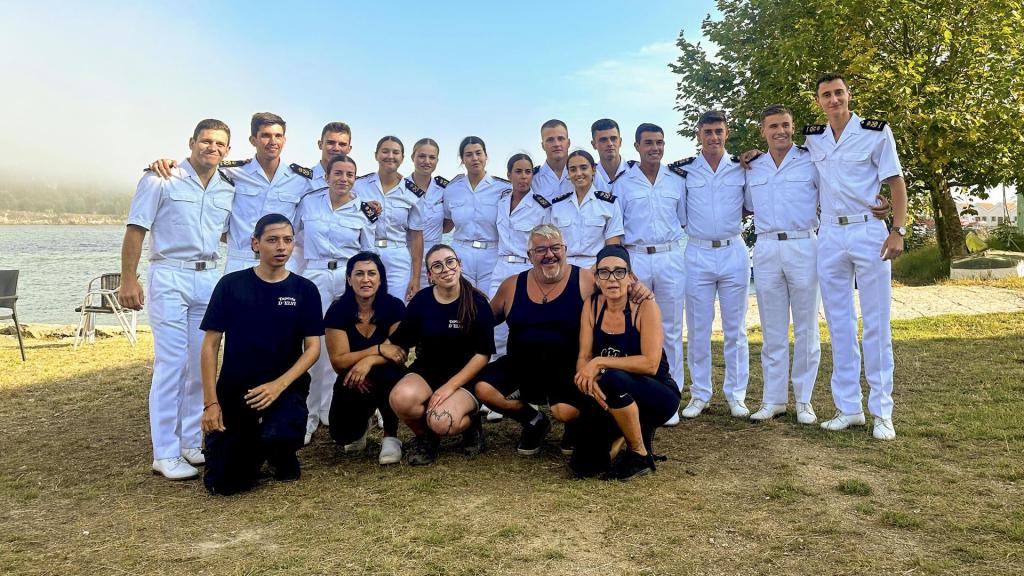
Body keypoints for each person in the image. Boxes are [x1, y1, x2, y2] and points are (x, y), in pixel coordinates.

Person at [121, 119, 235, 480]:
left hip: (208, 277)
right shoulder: (161, 178)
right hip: (170, 274)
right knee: (171, 364)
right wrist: (128, 278)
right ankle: (165, 452)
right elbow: (136, 228)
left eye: (219, 143)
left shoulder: (227, 187)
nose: (212, 148)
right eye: (206, 141)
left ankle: (189, 442)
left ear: (228, 150)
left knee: (201, 363)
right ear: (191, 142)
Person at [805, 73, 908, 440]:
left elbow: (895, 181)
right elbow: (784, 158)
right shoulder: (813, 139)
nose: (833, 100)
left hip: (868, 231)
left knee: (876, 323)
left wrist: (897, 229)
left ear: (848, 95)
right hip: (830, 234)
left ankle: (882, 412)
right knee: (839, 324)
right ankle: (848, 407)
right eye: (826, 95)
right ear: (819, 101)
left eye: (838, 93)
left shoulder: (875, 132)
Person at [199, 214, 323, 495]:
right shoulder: (230, 285)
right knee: (224, 484)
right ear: (255, 244)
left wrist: (278, 386)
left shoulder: (304, 290)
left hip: (285, 388)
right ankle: (248, 448)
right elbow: (210, 344)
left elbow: (313, 349)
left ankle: (280, 453)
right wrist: (211, 404)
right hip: (238, 390)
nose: (281, 247)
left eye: (288, 240)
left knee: (279, 434)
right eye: (272, 240)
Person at [476, 223, 593, 455]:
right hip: (521, 367)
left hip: (568, 370)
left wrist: (636, 289)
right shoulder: (511, 285)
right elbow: (484, 321)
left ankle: (575, 426)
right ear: (530, 255)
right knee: (483, 388)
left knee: (565, 411)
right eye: (541, 250)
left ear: (565, 250)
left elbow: (614, 306)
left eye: (555, 248)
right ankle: (533, 421)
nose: (549, 254)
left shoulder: (585, 281)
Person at [148, 112, 314, 274]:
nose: (273, 141)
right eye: (265, 135)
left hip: (282, 265)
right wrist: (168, 163)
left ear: (284, 140)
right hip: (240, 263)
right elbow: (200, 167)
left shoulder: (301, 180)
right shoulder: (231, 173)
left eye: (278, 136)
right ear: (253, 140)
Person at [573, 245, 680, 480]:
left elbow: (650, 364)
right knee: (584, 466)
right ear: (597, 278)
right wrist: (587, 381)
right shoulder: (592, 305)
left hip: (657, 394)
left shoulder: (645, 306)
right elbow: (583, 357)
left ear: (630, 277)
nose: (612, 279)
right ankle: (626, 431)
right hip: (613, 394)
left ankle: (639, 453)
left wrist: (600, 362)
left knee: (613, 377)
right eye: (604, 272)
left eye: (619, 272)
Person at [743, 105, 822, 424]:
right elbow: (746, 206)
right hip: (766, 248)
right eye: (773, 126)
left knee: (806, 328)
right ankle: (773, 399)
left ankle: (804, 400)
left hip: (803, 244)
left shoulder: (810, 160)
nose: (781, 131)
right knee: (772, 328)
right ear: (762, 130)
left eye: (786, 125)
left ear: (793, 127)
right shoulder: (752, 167)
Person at [387, 244, 496, 465]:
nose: (445, 269)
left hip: (466, 378)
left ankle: (471, 425)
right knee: (400, 399)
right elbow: (398, 342)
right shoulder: (422, 301)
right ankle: (426, 438)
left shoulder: (478, 302)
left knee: (442, 421)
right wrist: (369, 358)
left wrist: (450, 387)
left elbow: (482, 355)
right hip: (427, 371)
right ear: (430, 275)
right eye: (437, 266)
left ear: (459, 265)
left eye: (450, 262)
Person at [610, 123, 687, 425]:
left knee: (672, 328)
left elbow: (682, 220)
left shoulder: (676, 180)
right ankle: (639, 394)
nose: (655, 148)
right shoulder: (622, 184)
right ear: (637, 146)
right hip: (637, 259)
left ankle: (671, 397)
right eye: (649, 143)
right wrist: (626, 272)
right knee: (636, 328)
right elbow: (617, 230)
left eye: (659, 142)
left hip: (670, 257)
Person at [295, 153, 375, 444]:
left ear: (355, 178)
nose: (343, 179)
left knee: (341, 343)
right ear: (327, 176)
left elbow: (368, 252)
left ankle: (331, 409)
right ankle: (308, 415)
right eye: (338, 173)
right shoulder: (309, 202)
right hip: (314, 274)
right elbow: (294, 237)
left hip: (346, 278)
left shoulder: (364, 210)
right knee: (312, 343)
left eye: (349, 174)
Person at [677, 110, 751, 420]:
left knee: (736, 329)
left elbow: (750, 206)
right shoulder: (685, 172)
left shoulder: (742, 167)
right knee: (698, 328)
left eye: (718, 131)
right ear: (699, 135)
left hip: (733, 250)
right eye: (707, 132)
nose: (713, 137)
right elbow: (681, 215)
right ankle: (700, 393)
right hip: (698, 252)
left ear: (727, 133)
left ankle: (736, 395)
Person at [324, 252, 407, 464]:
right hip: (355, 378)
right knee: (342, 435)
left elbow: (398, 353)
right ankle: (361, 426)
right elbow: (339, 361)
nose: (365, 279)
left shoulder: (395, 307)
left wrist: (368, 361)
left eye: (371, 273)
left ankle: (391, 435)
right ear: (349, 279)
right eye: (359, 274)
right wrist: (377, 349)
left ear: (380, 279)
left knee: (390, 373)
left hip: (387, 375)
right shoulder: (337, 311)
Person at [353, 136, 423, 301]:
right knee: (364, 305)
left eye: (395, 152)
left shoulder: (412, 193)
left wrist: (416, 278)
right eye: (385, 151)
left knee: (397, 306)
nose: (390, 156)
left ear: (402, 158)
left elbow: (416, 236)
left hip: (397, 256)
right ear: (376, 155)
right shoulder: (358, 185)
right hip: (365, 252)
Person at [443, 136, 508, 291]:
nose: (475, 158)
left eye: (478, 153)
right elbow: (446, 224)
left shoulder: (503, 189)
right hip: (461, 253)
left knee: (490, 300)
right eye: (469, 154)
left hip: (492, 253)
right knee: (461, 300)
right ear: (462, 159)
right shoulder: (451, 189)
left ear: (486, 156)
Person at [551, 149, 624, 268]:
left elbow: (612, 246)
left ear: (593, 170)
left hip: (597, 267)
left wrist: (593, 272)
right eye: (573, 169)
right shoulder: (558, 205)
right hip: (564, 267)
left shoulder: (608, 204)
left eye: (584, 168)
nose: (578, 173)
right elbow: (552, 243)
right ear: (568, 174)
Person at [405, 138, 449, 289]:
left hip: (434, 257)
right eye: (422, 156)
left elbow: (448, 224)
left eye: (432, 157)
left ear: (437, 160)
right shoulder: (401, 187)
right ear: (413, 157)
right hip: (406, 256)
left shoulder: (444, 190)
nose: (427, 161)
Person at [532, 119, 573, 200]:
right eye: (550, 140)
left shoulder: (585, 174)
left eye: (561, 138)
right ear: (543, 146)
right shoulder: (533, 180)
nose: (556, 144)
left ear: (568, 143)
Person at [311, 122, 353, 190]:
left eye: (342, 144)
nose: (336, 148)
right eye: (330, 143)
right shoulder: (301, 180)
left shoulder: (356, 186)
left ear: (349, 149)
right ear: (320, 145)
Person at [590, 118, 629, 190]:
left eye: (613, 138)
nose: (610, 144)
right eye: (603, 140)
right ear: (594, 144)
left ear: (620, 142)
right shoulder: (589, 177)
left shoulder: (636, 172)